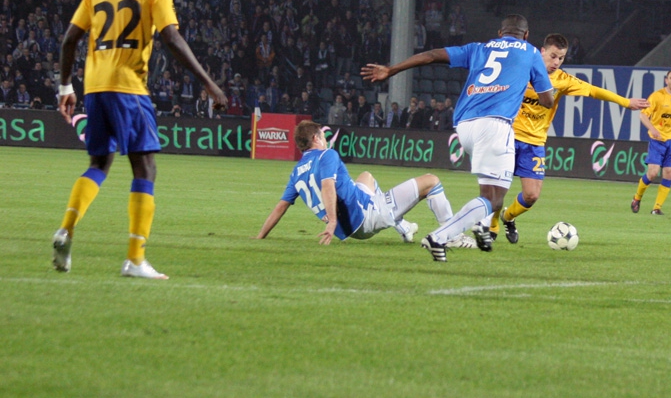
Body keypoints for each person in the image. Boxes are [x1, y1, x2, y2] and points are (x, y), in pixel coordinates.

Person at [52, 0, 228, 279]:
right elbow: (172, 38)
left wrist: (65, 87)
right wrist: (208, 81)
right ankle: (134, 258)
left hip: (96, 88)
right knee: (145, 168)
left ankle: (66, 229)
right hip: (129, 87)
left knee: (99, 163)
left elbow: (68, 40)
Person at [362, 14, 554, 262]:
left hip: (464, 125)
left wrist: (392, 69)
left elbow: (431, 56)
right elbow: (547, 100)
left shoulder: (478, 49)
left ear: (500, 33)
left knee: (490, 192)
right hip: (495, 125)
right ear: (526, 35)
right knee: (494, 199)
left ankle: (481, 229)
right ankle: (440, 237)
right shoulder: (530, 53)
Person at [490, 33, 647, 242]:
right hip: (508, 136)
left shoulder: (562, 80)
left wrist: (625, 102)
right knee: (498, 186)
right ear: (542, 51)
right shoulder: (521, 68)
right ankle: (492, 229)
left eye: (561, 58)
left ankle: (508, 217)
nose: (556, 62)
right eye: (553, 56)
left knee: (532, 195)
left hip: (535, 142)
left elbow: (592, 90)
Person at [255, 121, 457, 246]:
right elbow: (327, 186)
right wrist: (332, 221)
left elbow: (281, 207)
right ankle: (451, 235)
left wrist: (260, 236)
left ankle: (404, 228)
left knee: (366, 176)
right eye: (323, 136)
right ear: (316, 138)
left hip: (350, 228)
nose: (326, 140)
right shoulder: (327, 155)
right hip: (366, 216)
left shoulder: (297, 172)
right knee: (431, 181)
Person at [630, 70, 671, 215]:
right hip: (658, 140)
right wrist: (652, 129)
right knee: (652, 173)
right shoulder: (657, 96)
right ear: (666, 80)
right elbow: (643, 115)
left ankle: (657, 207)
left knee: (669, 172)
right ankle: (637, 198)